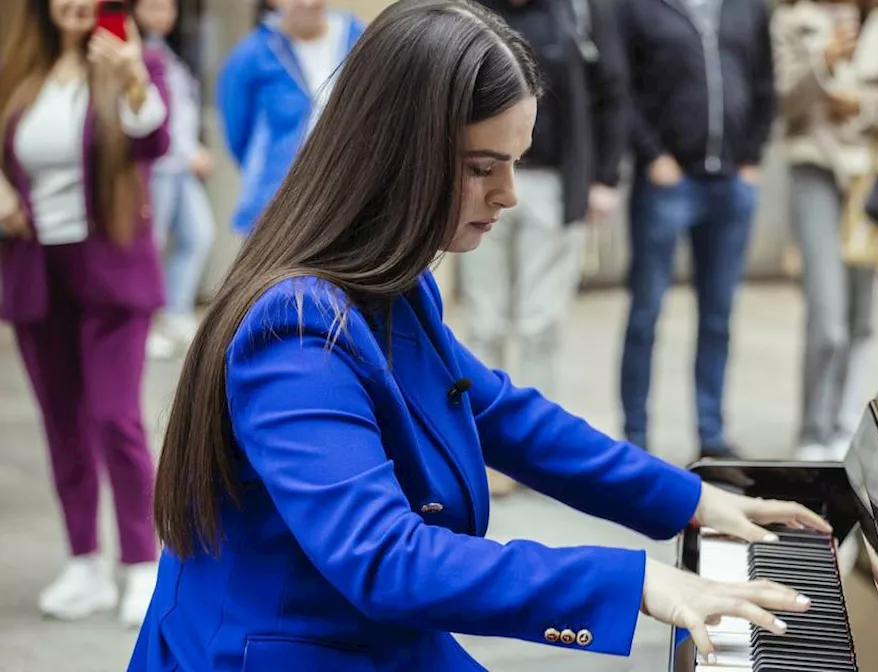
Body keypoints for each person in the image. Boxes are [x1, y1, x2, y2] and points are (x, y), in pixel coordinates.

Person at [127, 2, 828, 669]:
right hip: (281, 652)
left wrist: (692, 500)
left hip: (367, 639)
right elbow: (385, 558)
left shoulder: (392, 283)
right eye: (482, 168)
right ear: (397, 153)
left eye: (515, 163)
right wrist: (634, 583)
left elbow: (497, 410)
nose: (508, 194)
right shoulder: (297, 336)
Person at [0, 0, 170, 626]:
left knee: (115, 418)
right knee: (61, 426)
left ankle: (141, 562)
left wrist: (130, 74)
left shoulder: (135, 61)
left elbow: (154, 138)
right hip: (35, 270)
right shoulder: (19, 69)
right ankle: (83, 563)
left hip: (112, 272)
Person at [464, 0, 627, 497]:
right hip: (475, 180)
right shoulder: (468, 14)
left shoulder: (578, 11)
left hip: (554, 184)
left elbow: (612, 93)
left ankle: (529, 455)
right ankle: (476, 447)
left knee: (539, 322)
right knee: (485, 320)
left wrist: (603, 177)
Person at [615, 0, 776, 459]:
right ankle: (636, 438)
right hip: (667, 183)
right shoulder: (639, 9)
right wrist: (652, 156)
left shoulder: (748, 9)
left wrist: (751, 158)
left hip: (731, 183)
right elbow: (621, 88)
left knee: (718, 317)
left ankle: (711, 435)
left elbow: (765, 84)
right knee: (645, 314)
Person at [771, 0, 878, 461]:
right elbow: (781, 100)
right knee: (828, 317)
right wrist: (824, 63)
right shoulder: (791, 21)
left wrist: (861, 104)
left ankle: (844, 424)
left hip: (871, 178)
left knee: (860, 317)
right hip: (815, 168)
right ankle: (812, 431)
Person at [216, 0, 363, 236]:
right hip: (277, 208)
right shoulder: (251, 56)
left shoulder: (359, 40)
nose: (308, 3)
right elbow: (237, 135)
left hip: (350, 198)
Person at [133, 0, 216, 358]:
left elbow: (180, 112)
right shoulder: (131, 53)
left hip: (179, 167)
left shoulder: (168, 52)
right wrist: (190, 153)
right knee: (150, 246)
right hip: (156, 167)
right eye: (152, 6)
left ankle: (175, 314)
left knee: (199, 234)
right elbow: (155, 116)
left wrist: (193, 149)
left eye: (167, 7)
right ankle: (145, 324)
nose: (162, 14)